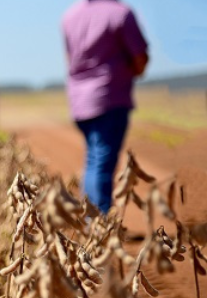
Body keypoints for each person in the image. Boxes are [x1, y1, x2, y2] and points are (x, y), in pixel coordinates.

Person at [62, 0, 149, 214]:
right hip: (109, 98)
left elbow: (70, 58)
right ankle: (99, 225)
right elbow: (140, 58)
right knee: (101, 163)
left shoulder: (70, 16)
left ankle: (91, 218)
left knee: (94, 159)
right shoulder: (121, 14)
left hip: (79, 101)